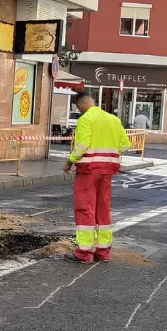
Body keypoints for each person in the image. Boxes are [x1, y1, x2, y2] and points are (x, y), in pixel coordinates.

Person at [64, 92, 132, 263]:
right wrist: (108, 154)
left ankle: (84, 252)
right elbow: (125, 145)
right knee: (103, 210)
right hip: (107, 171)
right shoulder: (113, 119)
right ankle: (103, 252)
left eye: (78, 107)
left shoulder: (86, 119)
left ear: (80, 105)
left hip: (88, 171)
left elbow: (82, 145)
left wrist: (70, 161)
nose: (79, 110)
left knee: (85, 209)